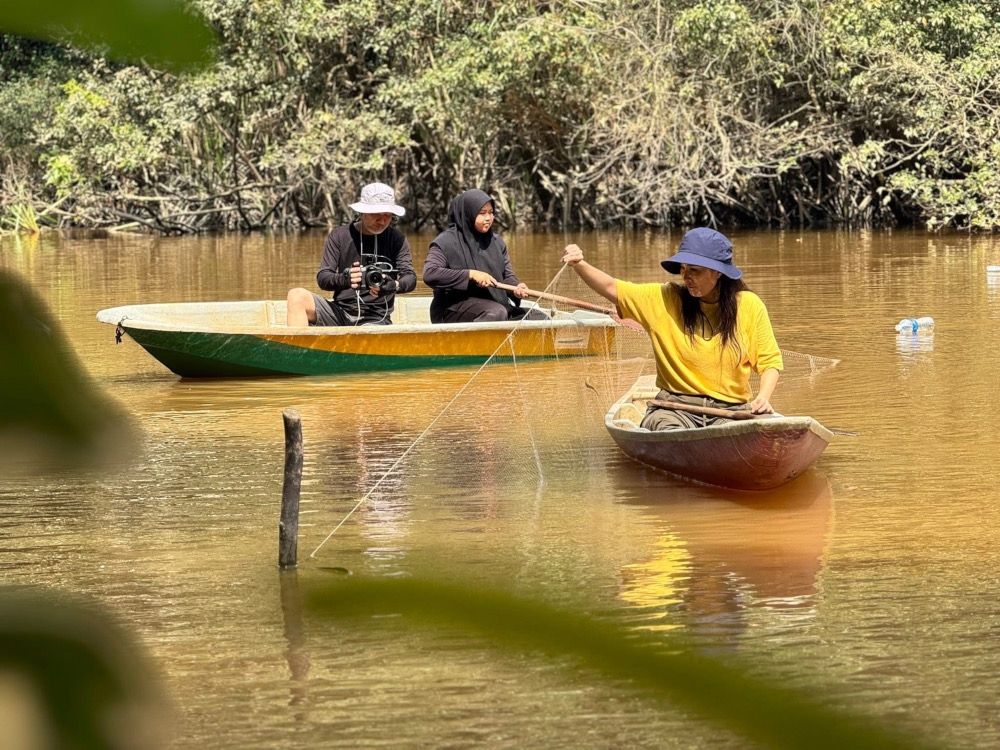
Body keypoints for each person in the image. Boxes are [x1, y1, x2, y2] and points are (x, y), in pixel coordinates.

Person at [561, 228, 783, 430]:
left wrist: (763, 398)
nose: (686, 277)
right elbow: (612, 287)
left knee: (757, 433)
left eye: (695, 270)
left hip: (731, 412)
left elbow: (769, 362)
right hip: (674, 409)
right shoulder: (666, 298)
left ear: (718, 273)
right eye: (683, 269)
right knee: (666, 428)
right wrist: (579, 264)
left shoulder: (748, 305)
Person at [286, 182, 416, 326]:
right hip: (340, 312)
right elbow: (323, 277)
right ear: (362, 213)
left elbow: (410, 277)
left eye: (387, 215)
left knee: (368, 331)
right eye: (375, 214)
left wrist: (394, 285)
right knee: (296, 296)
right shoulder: (339, 236)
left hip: (376, 318)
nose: (382, 220)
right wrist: (345, 278)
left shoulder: (397, 239)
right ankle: (298, 341)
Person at [422, 189, 546, 323]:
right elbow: (430, 274)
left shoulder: (497, 242)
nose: (488, 218)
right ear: (468, 214)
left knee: (540, 318)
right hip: (452, 308)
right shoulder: (445, 242)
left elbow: (506, 276)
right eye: (482, 213)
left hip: (495, 306)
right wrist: (471, 274)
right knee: (496, 312)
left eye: (491, 212)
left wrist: (517, 287)